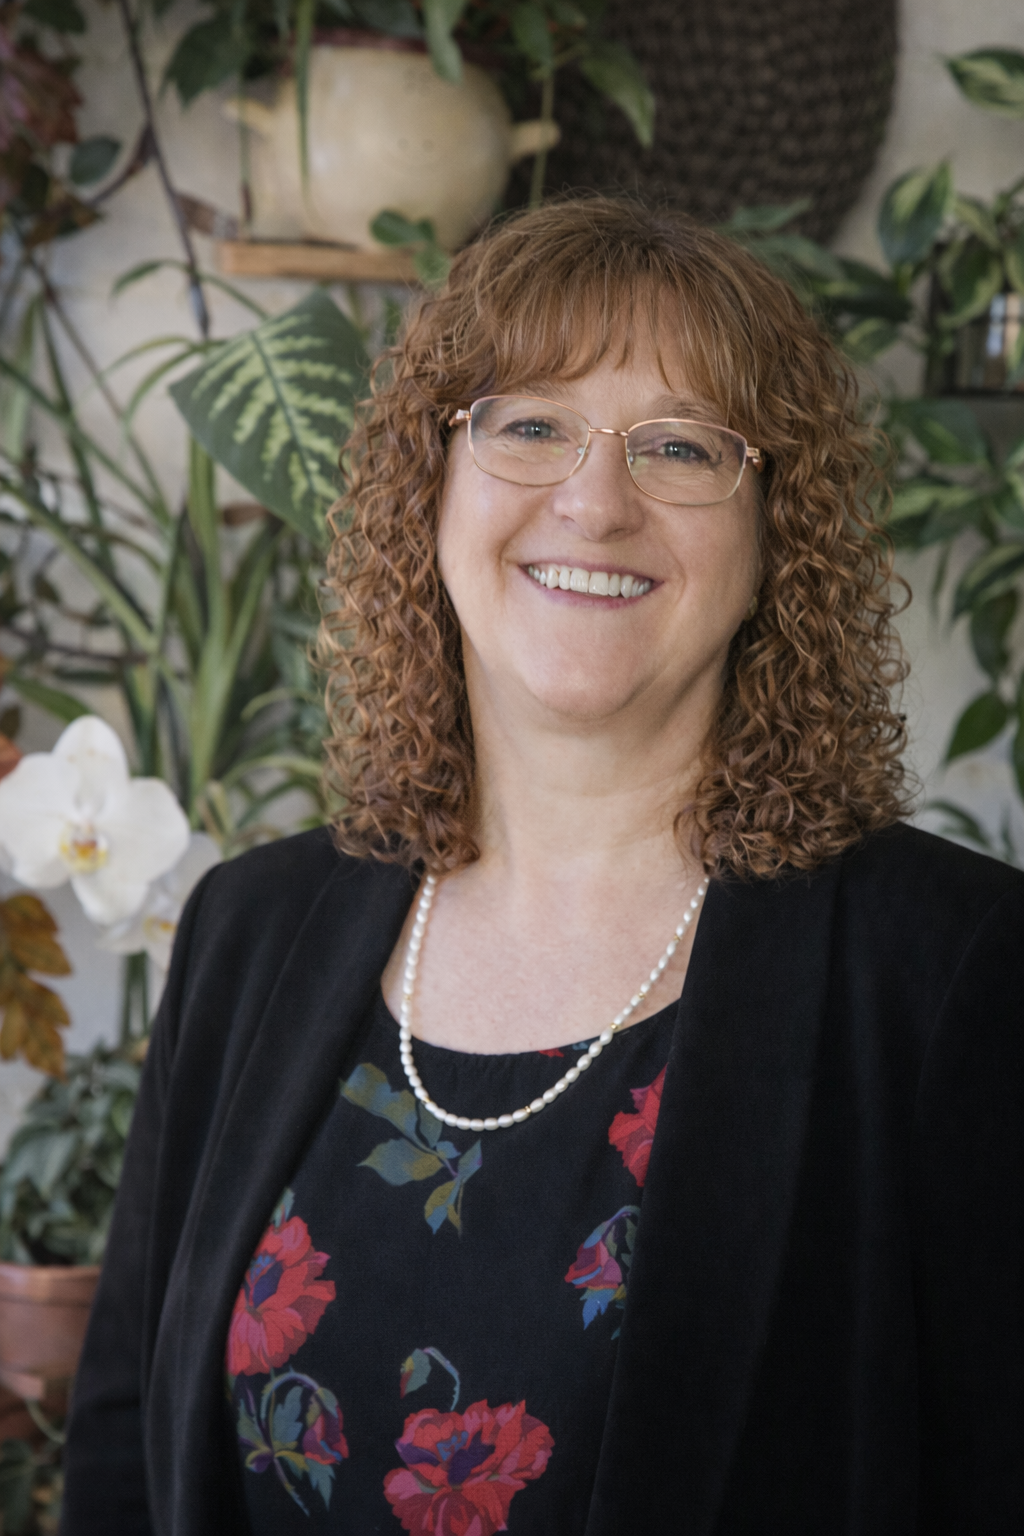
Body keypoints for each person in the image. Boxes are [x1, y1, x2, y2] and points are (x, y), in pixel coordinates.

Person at [61, 197, 1023, 1536]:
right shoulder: (250, 929)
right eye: (528, 426)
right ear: (431, 486)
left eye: (680, 446)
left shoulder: (952, 971)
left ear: (775, 536)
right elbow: (123, 1452)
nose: (594, 501)